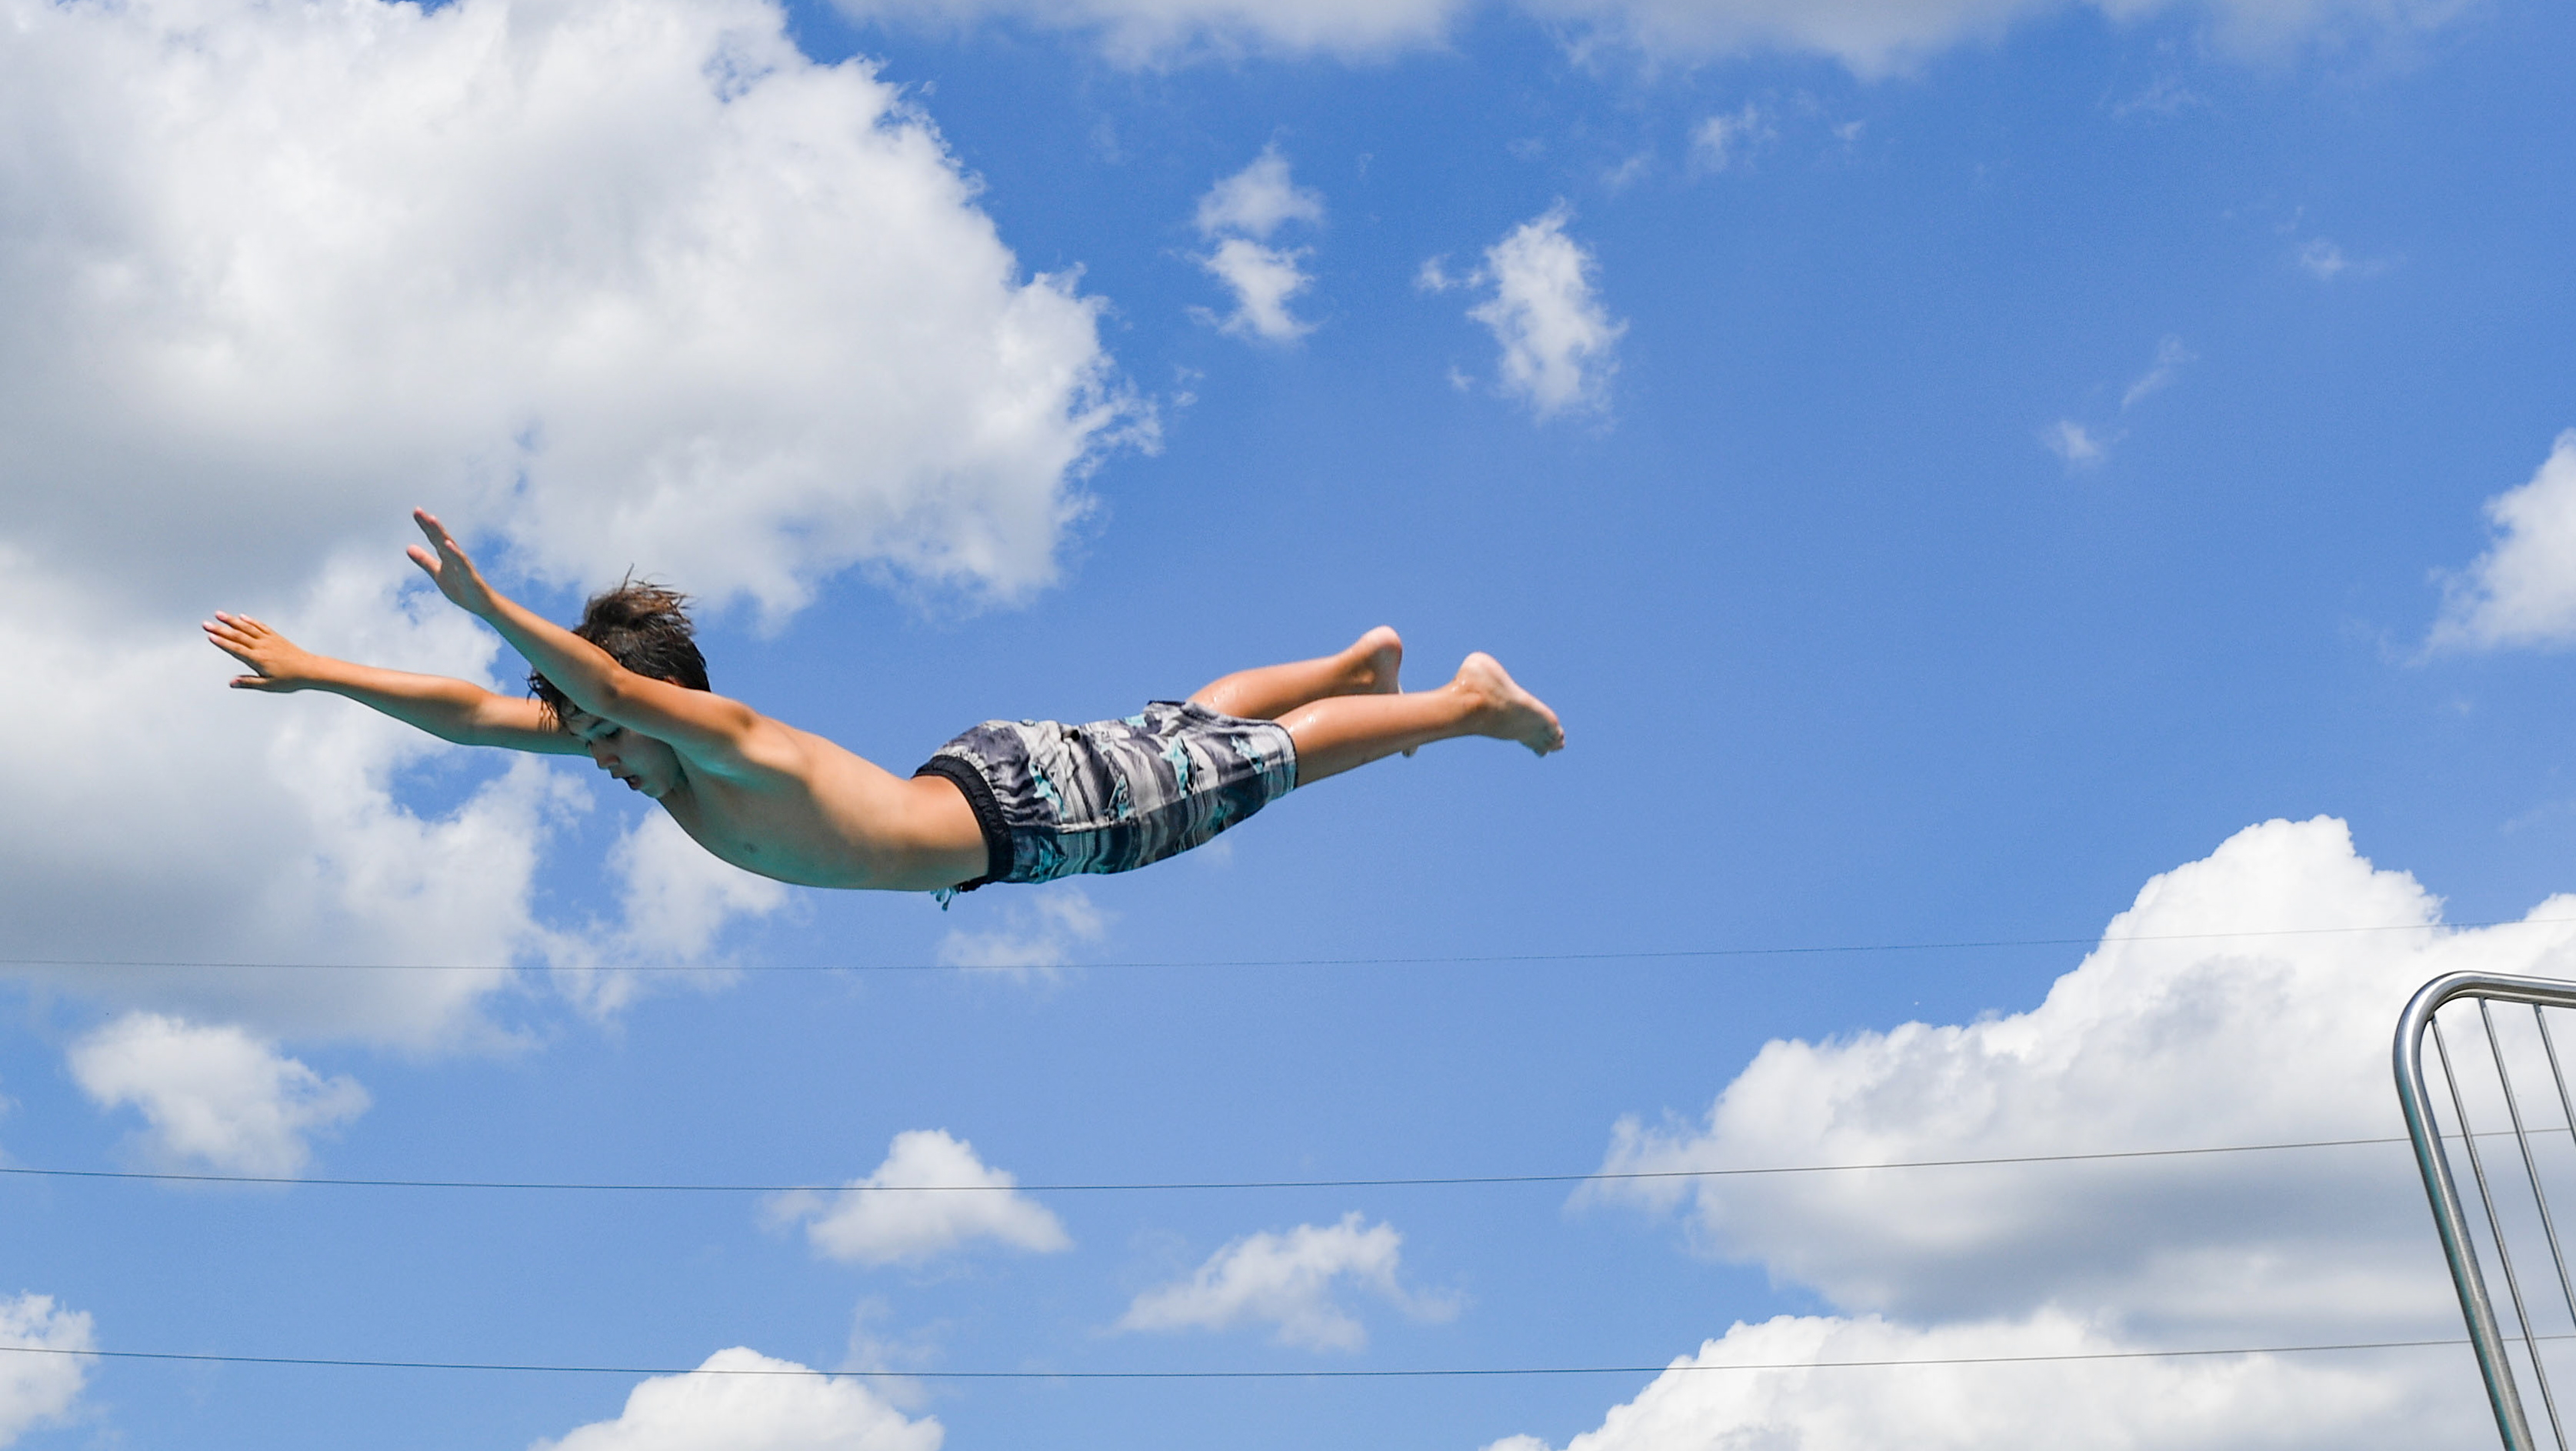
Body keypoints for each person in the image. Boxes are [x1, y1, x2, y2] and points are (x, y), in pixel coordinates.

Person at [206, 509, 1562, 899]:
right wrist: (319, 668)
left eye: (609, 735)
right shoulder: (642, 749)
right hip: (980, 784)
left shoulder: (716, 741)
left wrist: (493, 607)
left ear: (657, 707)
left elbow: (601, 685)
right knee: (1174, 738)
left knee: (1238, 775)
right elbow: (466, 715)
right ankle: (1352, 664)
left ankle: (1454, 705)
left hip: (1015, 822)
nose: (599, 761)